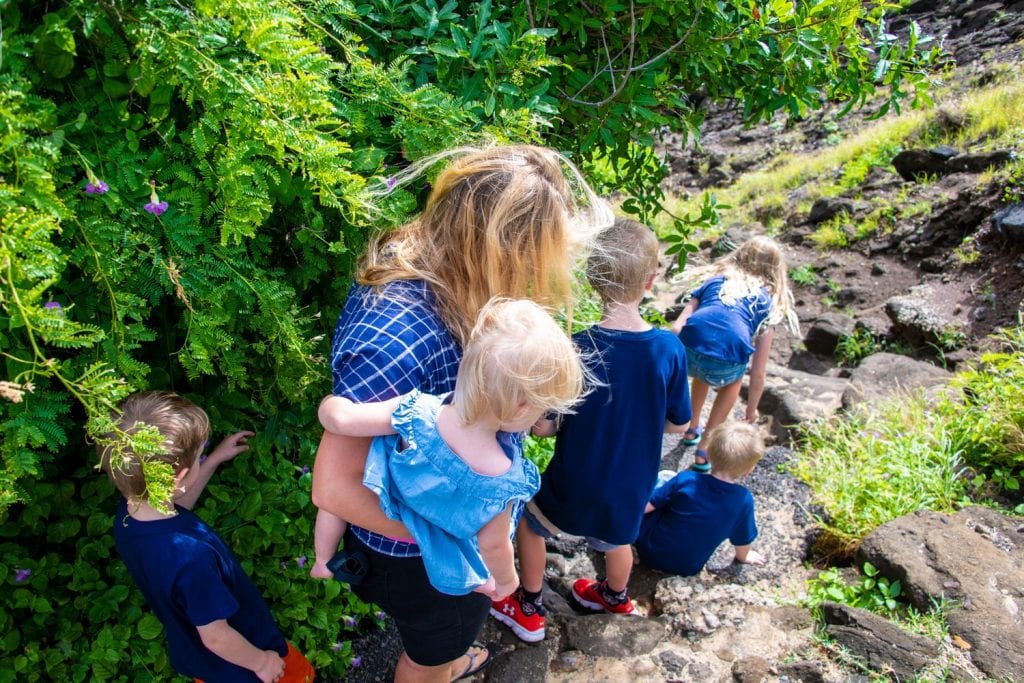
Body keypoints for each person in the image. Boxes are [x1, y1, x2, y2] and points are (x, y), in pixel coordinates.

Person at [311, 143, 611, 683]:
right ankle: (438, 663)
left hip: (441, 551)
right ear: (503, 250)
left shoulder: (465, 283)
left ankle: (450, 655)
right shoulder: (397, 335)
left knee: (447, 639)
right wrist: (460, 537)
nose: (542, 276)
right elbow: (334, 488)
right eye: (538, 258)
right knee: (433, 653)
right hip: (420, 561)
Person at [491, 217, 692, 643]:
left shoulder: (576, 346)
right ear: (651, 280)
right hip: (630, 487)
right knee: (620, 540)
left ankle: (528, 605)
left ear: (592, 278)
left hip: (575, 480)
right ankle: (614, 595)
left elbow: (545, 427)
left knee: (531, 523)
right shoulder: (669, 349)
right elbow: (680, 423)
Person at [314, 298, 586, 600]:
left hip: (391, 500)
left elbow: (343, 420)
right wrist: (507, 582)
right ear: (519, 409)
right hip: (431, 537)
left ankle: (322, 560)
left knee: (330, 505)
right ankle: (478, 581)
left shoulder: (416, 410)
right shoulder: (501, 478)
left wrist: (330, 405)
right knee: (465, 547)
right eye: (542, 409)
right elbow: (494, 545)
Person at [101, 391, 314, 683]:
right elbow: (216, 636)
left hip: (202, 663)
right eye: (200, 456)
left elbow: (175, 509)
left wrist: (212, 461)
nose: (203, 458)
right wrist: (262, 662)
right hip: (242, 663)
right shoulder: (192, 560)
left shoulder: (130, 516)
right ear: (178, 479)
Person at [670, 236, 799, 471]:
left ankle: (691, 428)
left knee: (703, 369)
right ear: (775, 270)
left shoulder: (714, 281)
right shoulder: (766, 302)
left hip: (688, 350)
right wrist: (751, 411)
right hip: (724, 365)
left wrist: (671, 363)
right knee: (733, 381)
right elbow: (758, 371)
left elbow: (677, 327)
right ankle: (704, 449)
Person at [636, 421, 767, 576]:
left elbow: (645, 508)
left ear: (709, 455)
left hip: (647, 551)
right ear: (748, 470)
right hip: (687, 568)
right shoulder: (743, 501)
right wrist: (744, 557)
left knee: (666, 476)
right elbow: (743, 539)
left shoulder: (687, 480)